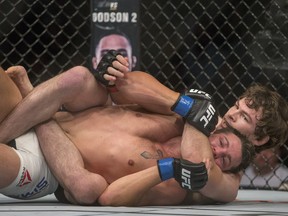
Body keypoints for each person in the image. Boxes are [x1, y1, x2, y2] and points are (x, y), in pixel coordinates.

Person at [0, 65, 254, 205]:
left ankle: (30, 96)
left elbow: (109, 197)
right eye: (221, 144)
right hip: (31, 114)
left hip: (45, 167)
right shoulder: (172, 115)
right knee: (79, 77)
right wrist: (189, 107)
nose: (218, 152)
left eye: (224, 160)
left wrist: (166, 168)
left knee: (88, 187)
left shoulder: (173, 187)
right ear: (216, 129)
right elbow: (126, 86)